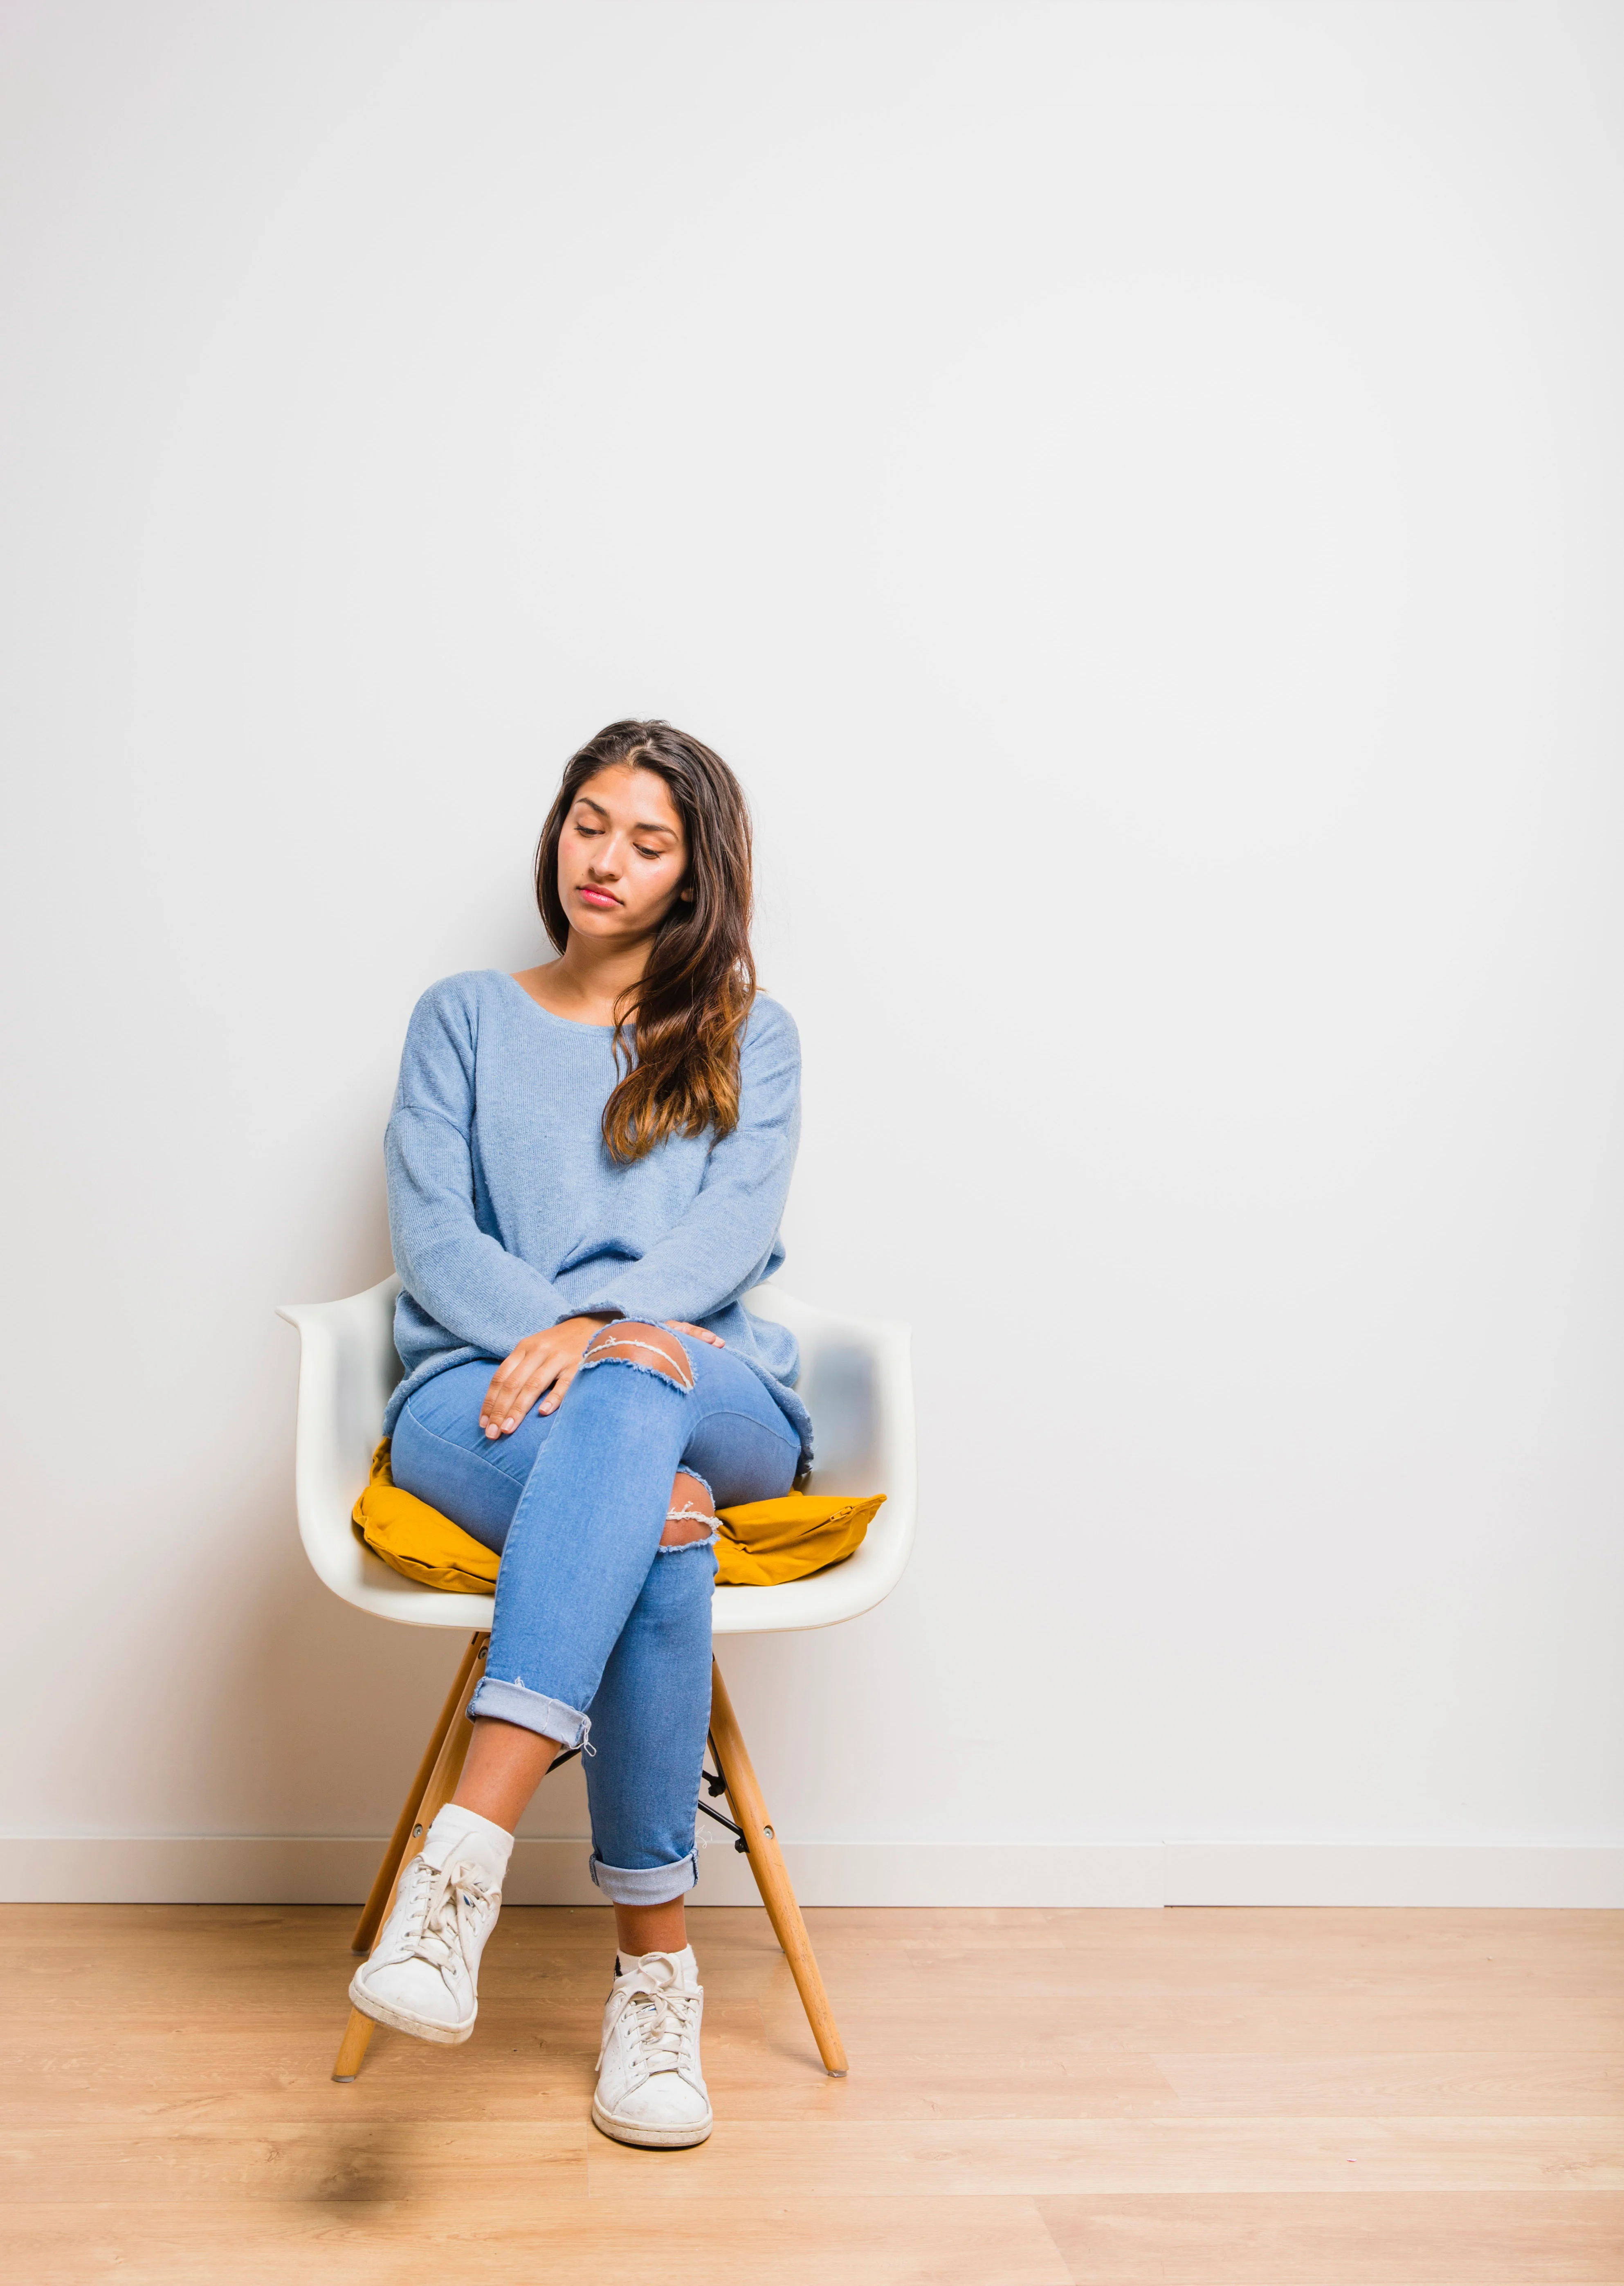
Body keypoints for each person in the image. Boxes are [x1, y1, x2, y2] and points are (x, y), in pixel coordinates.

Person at [348, 720, 810, 2149]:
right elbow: (431, 1232)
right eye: (589, 823)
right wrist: (539, 1334)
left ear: (695, 874)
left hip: (703, 1374)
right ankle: (655, 1985)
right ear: (558, 831)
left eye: (648, 841)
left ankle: (461, 1866)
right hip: (474, 1393)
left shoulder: (748, 1031)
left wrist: (597, 1335)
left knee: (641, 1384)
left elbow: (732, 1232)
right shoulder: (465, 1019)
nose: (606, 858)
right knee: (660, 1514)